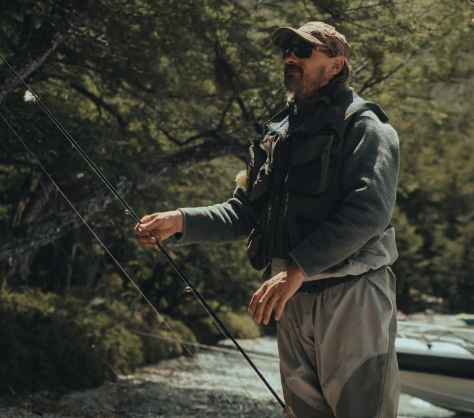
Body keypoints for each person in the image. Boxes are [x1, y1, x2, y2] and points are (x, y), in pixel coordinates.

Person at [134, 22, 400, 418]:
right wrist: (179, 221)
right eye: (287, 50)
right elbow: (245, 211)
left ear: (335, 65)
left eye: (304, 51)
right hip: (290, 298)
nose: (290, 57)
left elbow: (370, 213)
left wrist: (298, 269)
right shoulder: (279, 134)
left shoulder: (366, 128)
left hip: (351, 297)